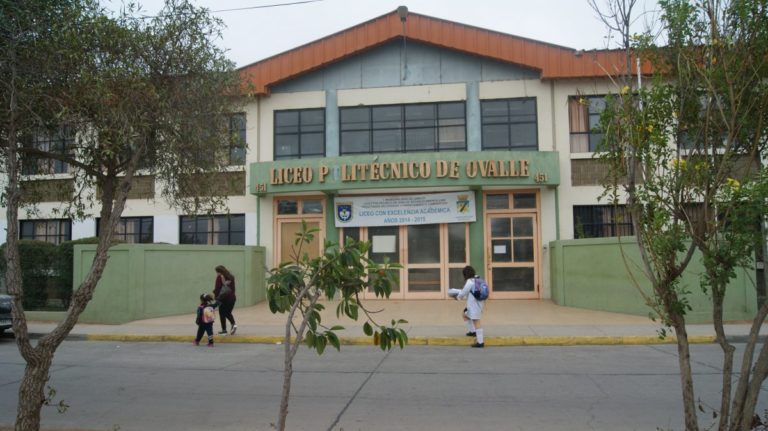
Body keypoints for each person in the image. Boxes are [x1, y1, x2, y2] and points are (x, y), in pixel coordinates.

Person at [451, 265, 486, 348]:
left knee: (476, 321)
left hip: (474, 305)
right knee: (464, 314)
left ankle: (480, 342)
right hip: (478, 303)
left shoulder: (470, 282)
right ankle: (472, 331)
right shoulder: (478, 279)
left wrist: (457, 297)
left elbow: (463, 293)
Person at [213, 265, 237, 335]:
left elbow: (218, 288)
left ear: (219, 271)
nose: (217, 274)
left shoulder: (219, 277)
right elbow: (233, 288)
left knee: (222, 313)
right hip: (232, 298)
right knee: (227, 313)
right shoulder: (231, 277)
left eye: (217, 272)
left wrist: (216, 297)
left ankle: (224, 330)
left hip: (223, 298)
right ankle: (233, 324)